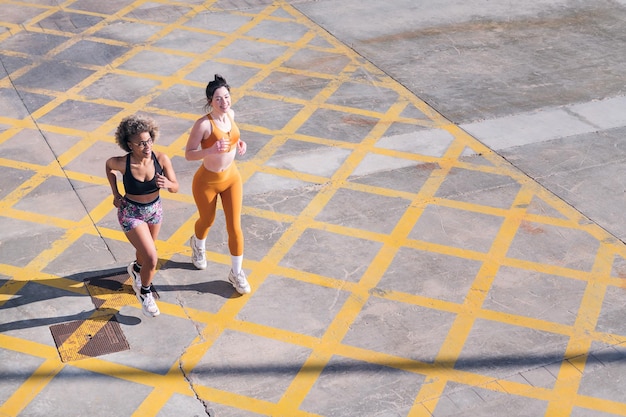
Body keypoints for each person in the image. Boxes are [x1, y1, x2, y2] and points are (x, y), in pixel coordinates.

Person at [105, 114, 179, 317]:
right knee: (152, 257)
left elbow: (176, 187)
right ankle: (144, 292)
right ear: (130, 145)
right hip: (131, 213)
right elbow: (108, 167)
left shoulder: (161, 158)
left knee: (144, 256)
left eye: (149, 141)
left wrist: (168, 184)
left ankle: (136, 269)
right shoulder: (122, 163)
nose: (147, 147)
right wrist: (115, 193)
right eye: (141, 143)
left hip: (155, 211)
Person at [185, 74, 251, 294]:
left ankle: (237, 272)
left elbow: (232, 137)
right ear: (210, 102)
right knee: (207, 220)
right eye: (218, 99)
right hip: (207, 182)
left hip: (231, 178)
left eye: (226, 96)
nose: (224, 102)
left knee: (235, 227)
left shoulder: (231, 114)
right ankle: (198, 244)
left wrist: (240, 143)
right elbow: (189, 154)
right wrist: (210, 150)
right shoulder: (203, 125)